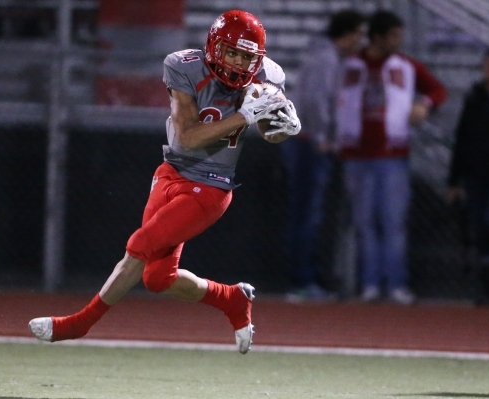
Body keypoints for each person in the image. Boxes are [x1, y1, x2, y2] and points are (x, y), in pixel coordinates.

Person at [28, 9, 301, 354]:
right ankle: (231, 299)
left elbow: (268, 131)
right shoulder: (184, 65)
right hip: (171, 172)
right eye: (232, 52)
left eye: (247, 57)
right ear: (214, 47)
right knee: (157, 278)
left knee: (140, 245)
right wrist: (243, 115)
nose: (238, 63)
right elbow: (187, 137)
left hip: (212, 186)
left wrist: (282, 129)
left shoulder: (268, 76)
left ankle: (80, 323)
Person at [336, 10, 447, 304]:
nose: (399, 41)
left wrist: (424, 104)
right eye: (394, 35)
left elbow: (437, 90)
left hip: (392, 153)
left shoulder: (406, 65)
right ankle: (370, 284)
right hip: (357, 153)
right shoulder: (351, 63)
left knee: (393, 222)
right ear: (379, 37)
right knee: (364, 223)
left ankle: (396, 284)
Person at [280, 9, 366, 302]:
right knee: (307, 215)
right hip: (308, 143)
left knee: (307, 214)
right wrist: (322, 137)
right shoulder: (326, 59)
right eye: (359, 33)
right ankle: (301, 280)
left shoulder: (327, 57)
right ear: (349, 33)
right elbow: (316, 101)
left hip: (307, 141)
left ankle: (306, 277)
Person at [447, 49, 489, 305]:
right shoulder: (474, 98)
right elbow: (462, 139)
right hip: (477, 174)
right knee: (480, 230)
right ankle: (487, 288)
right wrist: (454, 180)